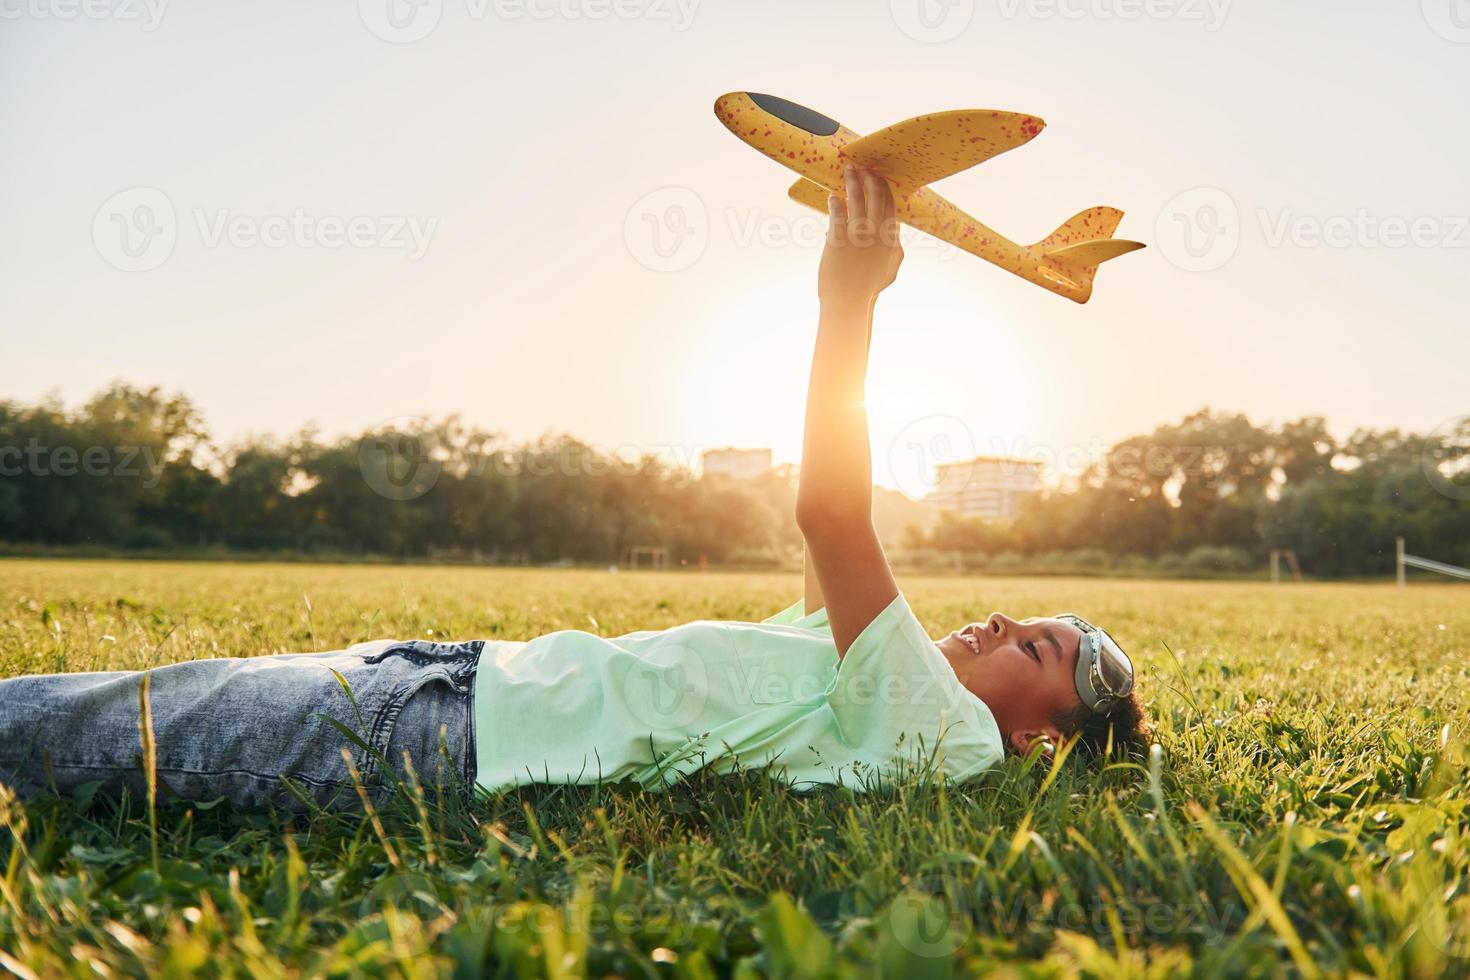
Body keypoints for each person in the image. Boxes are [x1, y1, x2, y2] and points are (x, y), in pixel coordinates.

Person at [0, 167, 1147, 811]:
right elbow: (836, 544)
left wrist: (843, 305)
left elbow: (831, 513)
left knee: (108, 733)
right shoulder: (880, 682)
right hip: (459, 677)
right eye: (1029, 620)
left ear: (1040, 743)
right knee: (140, 700)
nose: (1003, 620)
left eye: (1034, 648)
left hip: (445, 741)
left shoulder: (940, 733)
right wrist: (876, 303)